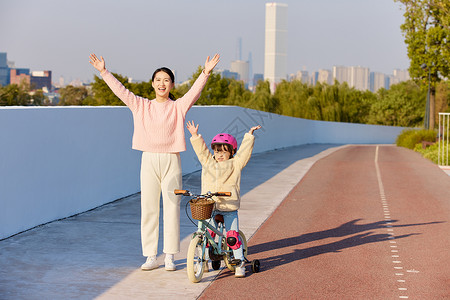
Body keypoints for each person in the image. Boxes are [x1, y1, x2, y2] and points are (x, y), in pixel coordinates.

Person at [89, 53, 220, 271]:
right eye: (158, 80)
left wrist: (205, 72)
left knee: (172, 207)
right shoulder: (140, 105)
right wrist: (104, 71)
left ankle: (169, 256)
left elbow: (194, 92)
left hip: (171, 160)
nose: (162, 83)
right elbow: (120, 91)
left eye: (166, 80)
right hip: (148, 159)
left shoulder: (178, 107)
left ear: (172, 84)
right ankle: (151, 255)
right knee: (149, 208)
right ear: (152, 84)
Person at [186, 120, 261, 277]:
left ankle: (240, 263)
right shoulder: (208, 163)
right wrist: (195, 136)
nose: (220, 154)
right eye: (217, 151)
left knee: (232, 237)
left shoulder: (236, 163)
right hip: (210, 206)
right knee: (208, 235)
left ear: (231, 152)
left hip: (229, 207)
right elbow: (202, 151)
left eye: (224, 151)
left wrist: (249, 136)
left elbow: (244, 153)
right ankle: (204, 260)